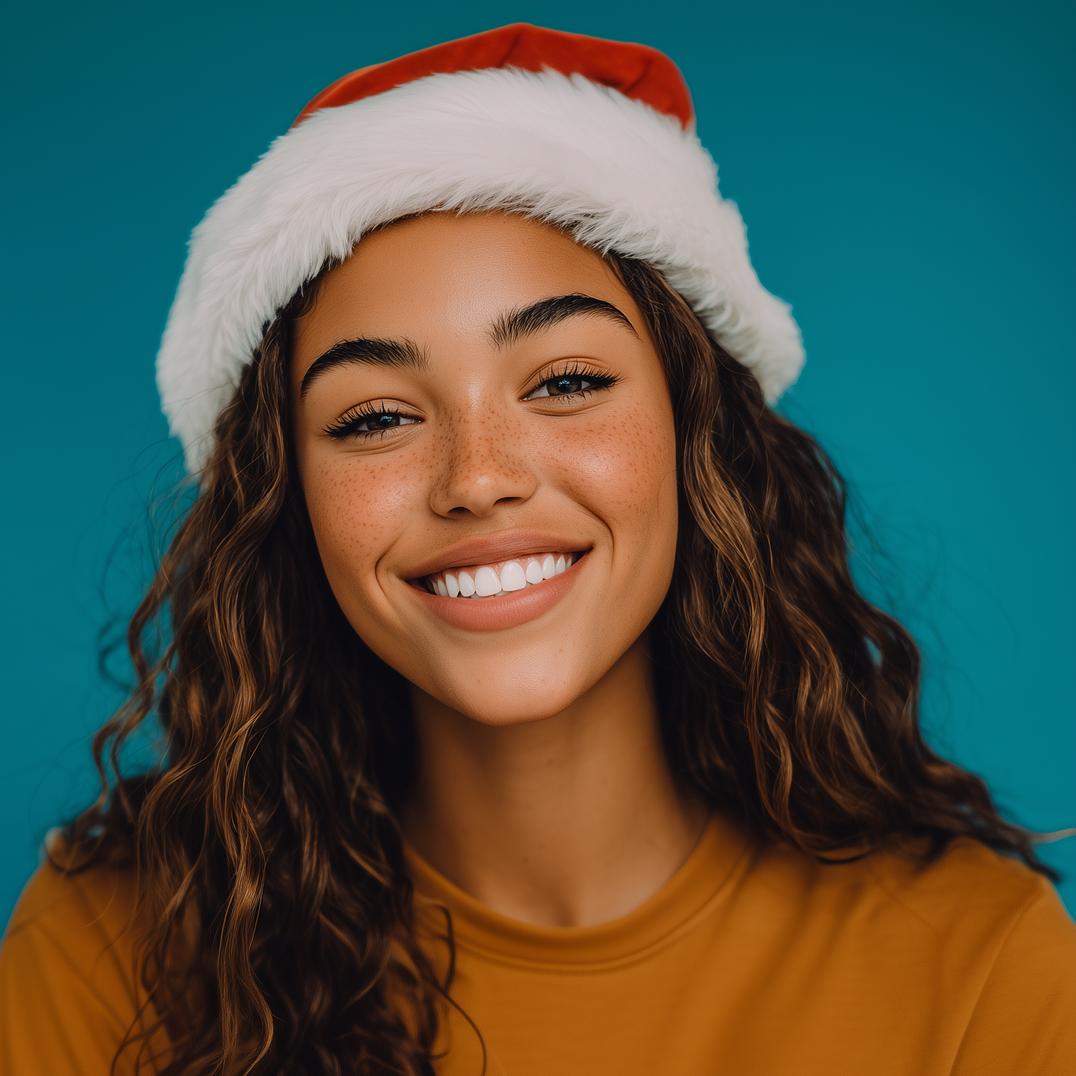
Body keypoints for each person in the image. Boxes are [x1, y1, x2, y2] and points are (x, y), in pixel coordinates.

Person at [0, 23, 1073, 1076]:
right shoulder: (104, 948)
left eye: (564, 382)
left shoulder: (981, 964)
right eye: (374, 416)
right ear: (288, 498)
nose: (478, 477)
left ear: (699, 434)